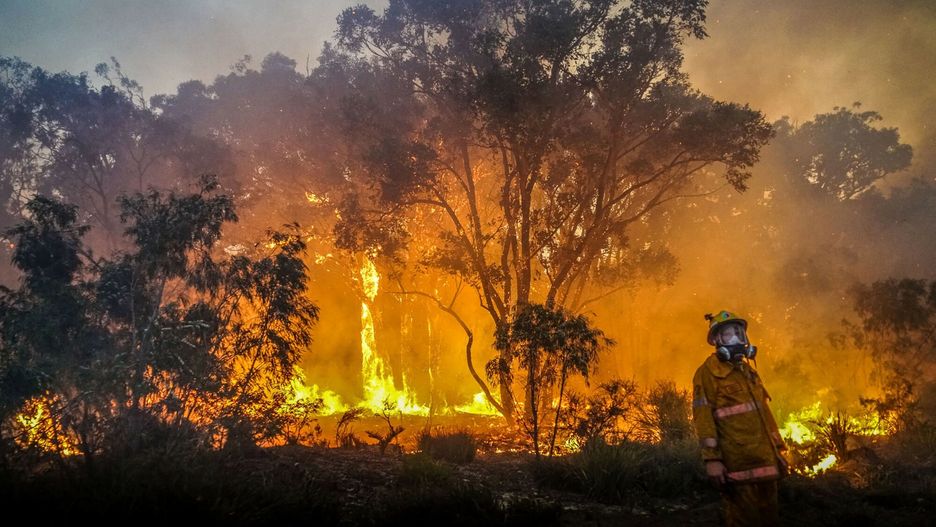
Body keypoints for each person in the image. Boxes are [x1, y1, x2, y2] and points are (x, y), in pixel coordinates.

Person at [692, 310, 787, 526]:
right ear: (716, 340)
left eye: (739, 333)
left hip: (766, 464)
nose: (736, 339)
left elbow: (764, 415)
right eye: (728, 334)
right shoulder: (708, 373)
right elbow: (703, 418)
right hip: (737, 466)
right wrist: (712, 460)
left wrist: (778, 451)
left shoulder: (748, 372)